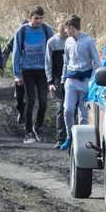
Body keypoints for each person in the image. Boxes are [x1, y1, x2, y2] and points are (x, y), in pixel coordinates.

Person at [60, 14, 102, 150]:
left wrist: (92, 80)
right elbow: (65, 62)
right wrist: (63, 79)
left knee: (83, 114)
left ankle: (81, 141)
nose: (65, 31)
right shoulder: (68, 42)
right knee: (68, 109)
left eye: (66, 28)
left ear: (71, 27)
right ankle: (69, 136)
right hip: (71, 80)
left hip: (84, 80)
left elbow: (97, 62)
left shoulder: (88, 41)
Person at [12, 6, 53, 143]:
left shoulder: (47, 30)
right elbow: (16, 52)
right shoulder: (22, 31)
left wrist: (52, 73)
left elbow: (52, 51)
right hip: (27, 70)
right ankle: (28, 132)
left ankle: (38, 127)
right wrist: (17, 74)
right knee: (31, 100)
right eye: (36, 18)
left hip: (43, 70)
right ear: (30, 17)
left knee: (43, 101)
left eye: (41, 18)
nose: (39, 21)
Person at [45, 13, 69, 149]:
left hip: (71, 78)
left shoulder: (72, 40)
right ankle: (61, 137)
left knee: (73, 108)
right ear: (57, 26)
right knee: (61, 107)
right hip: (57, 78)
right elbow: (48, 63)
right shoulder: (52, 42)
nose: (65, 30)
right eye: (62, 26)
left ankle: (73, 136)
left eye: (67, 27)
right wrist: (50, 82)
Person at [1, 19, 29, 124]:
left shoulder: (35, 37)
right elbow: (5, 52)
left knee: (31, 96)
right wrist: (2, 66)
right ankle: (21, 111)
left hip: (33, 71)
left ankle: (30, 118)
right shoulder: (15, 38)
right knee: (19, 96)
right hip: (19, 72)